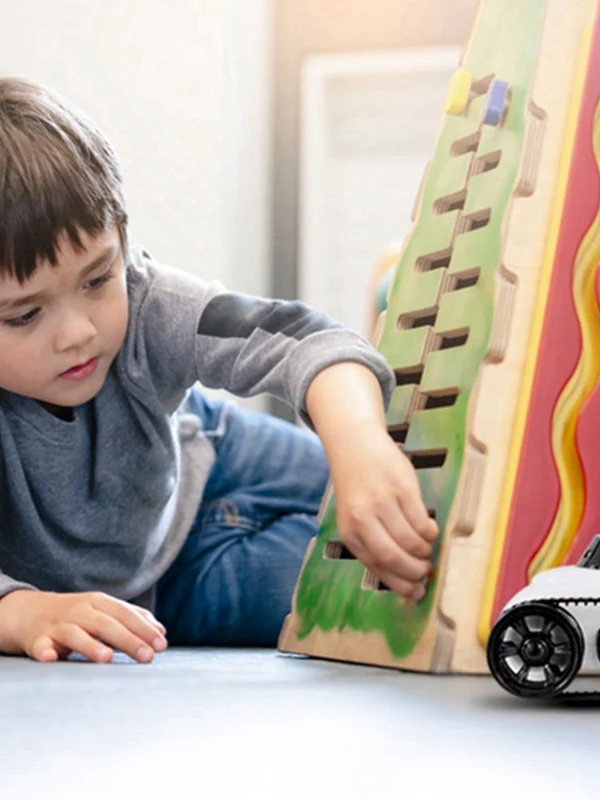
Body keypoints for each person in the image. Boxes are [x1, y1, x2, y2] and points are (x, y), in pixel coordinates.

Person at [0, 77, 438, 665]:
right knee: (383, 581)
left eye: (98, 279)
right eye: (25, 315)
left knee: (414, 496)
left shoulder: (150, 300)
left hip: (211, 445)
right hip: (162, 585)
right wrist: (20, 612)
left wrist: (361, 444)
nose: (77, 332)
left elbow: (309, 341)